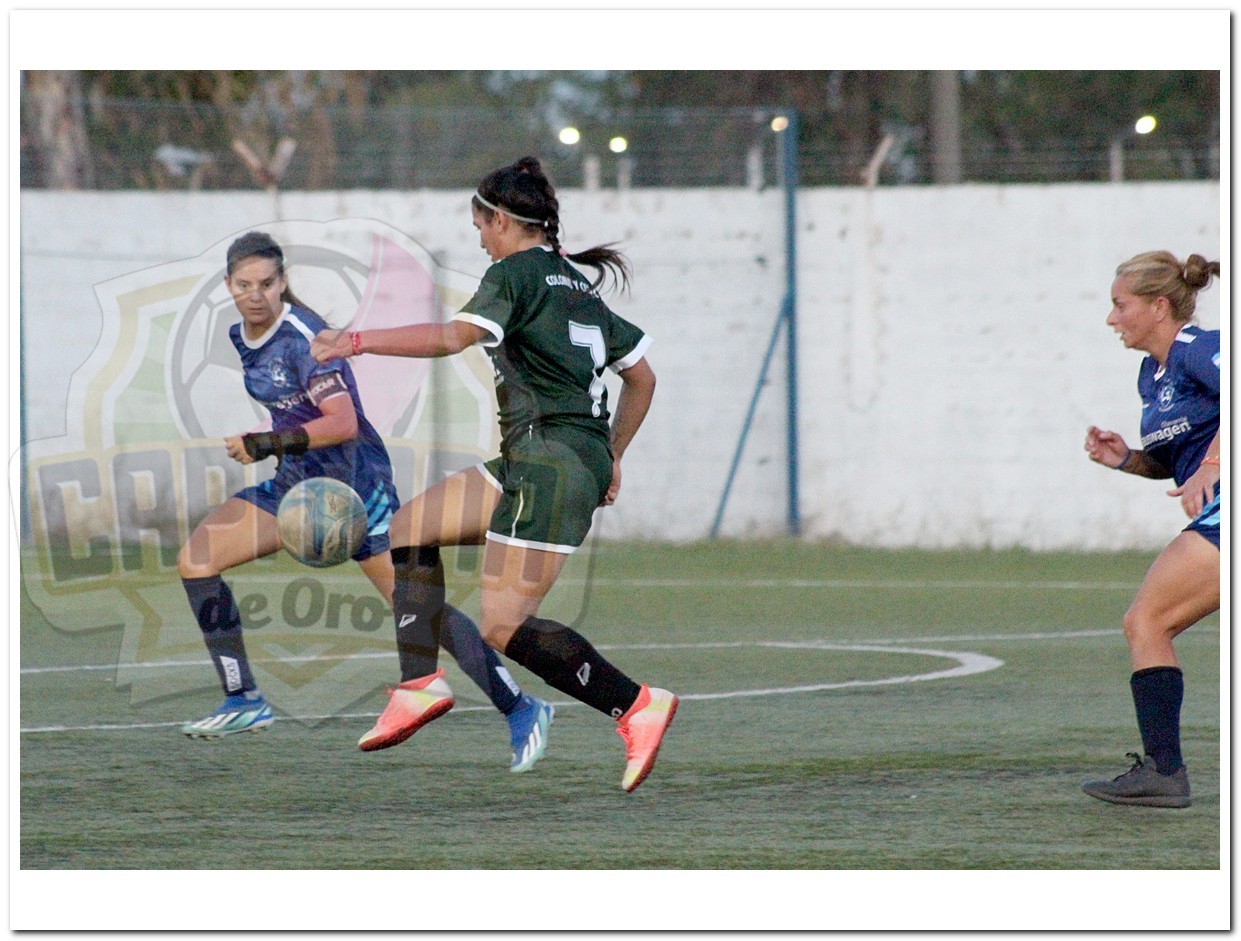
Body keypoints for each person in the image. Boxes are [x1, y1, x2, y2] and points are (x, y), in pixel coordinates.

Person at [311, 156, 678, 793]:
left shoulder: (512, 273)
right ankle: (419, 683)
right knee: (408, 528)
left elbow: (455, 336)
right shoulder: (575, 284)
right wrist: (612, 454)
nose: (481, 238)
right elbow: (641, 377)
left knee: (503, 626)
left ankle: (636, 705)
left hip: (551, 463)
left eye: (480, 225)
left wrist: (357, 342)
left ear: (502, 221)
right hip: (539, 457)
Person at [176, 231, 556, 774]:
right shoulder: (242, 336)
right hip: (298, 483)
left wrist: (264, 443)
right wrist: (279, 446)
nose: (255, 294)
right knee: (197, 559)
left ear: (283, 283)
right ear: (228, 286)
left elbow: (343, 422)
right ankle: (244, 700)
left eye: (266, 283)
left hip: (354, 487)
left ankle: (521, 707)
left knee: (421, 612)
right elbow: (296, 412)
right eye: (243, 285)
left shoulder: (305, 338)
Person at [1080, 250, 1221, 808]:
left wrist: (1214, 465)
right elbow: (1176, 460)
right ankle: (1163, 771)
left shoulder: (1198, 349)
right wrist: (1128, 460)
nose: (1112, 318)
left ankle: (1165, 773)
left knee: (1147, 620)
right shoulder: (1153, 373)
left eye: (1121, 305)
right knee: (1148, 622)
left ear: (1159, 306)